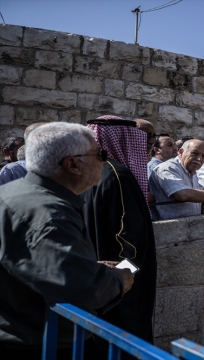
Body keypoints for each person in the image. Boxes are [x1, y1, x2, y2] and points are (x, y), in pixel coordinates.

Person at [0, 122, 133, 359]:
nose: (104, 161)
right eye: (100, 154)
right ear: (72, 164)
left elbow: (37, 265)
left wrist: (87, 267)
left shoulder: (12, 193)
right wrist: (118, 279)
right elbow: (84, 290)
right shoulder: (50, 214)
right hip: (38, 345)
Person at [81, 116, 157, 344]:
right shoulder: (118, 175)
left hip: (95, 273)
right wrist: (126, 274)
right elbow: (130, 239)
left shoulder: (90, 171)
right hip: (119, 284)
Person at [149, 139, 204, 220]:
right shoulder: (167, 168)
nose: (199, 159)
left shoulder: (192, 171)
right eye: (194, 153)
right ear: (181, 152)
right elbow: (182, 195)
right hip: (169, 228)